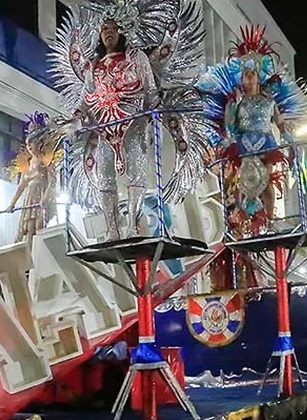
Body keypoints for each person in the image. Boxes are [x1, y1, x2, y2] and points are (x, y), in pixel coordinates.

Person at [51, 0, 207, 241]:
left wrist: (155, 116)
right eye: (104, 30)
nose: (108, 34)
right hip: (104, 130)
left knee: (137, 174)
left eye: (112, 29)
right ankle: (112, 230)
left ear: (122, 32)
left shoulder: (136, 58)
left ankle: (132, 226)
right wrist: (75, 121)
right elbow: (86, 100)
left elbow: (151, 91)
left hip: (133, 124)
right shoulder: (94, 67)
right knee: (105, 180)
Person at [197, 25, 307, 237]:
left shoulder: (270, 101)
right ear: (241, 78)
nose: (249, 79)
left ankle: (269, 221)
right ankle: (241, 224)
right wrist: (229, 140)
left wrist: (289, 140)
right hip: (243, 145)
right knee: (242, 183)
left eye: (252, 75)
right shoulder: (236, 101)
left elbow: (279, 123)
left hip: (266, 144)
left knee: (267, 181)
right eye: (245, 75)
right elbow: (229, 123)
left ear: (258, 77)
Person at [6, 112, 61, 244]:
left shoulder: (47, 160)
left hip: (42, 197)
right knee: (29, 228)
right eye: (27, 144)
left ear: (40, 143)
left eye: (32, 143)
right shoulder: (28, 163)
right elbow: (21, 186)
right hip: (30, 199)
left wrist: (45, 198)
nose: (29, 147)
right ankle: (30, 256)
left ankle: (40, 254)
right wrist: (12, 204)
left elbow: (52, 182)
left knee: (39, 226)